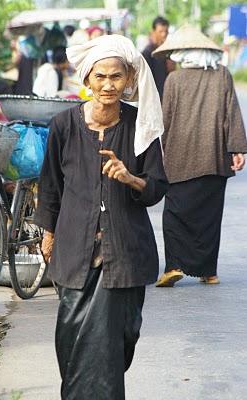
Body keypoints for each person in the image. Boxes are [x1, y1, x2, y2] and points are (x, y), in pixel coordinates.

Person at [34, 34, 167, 399]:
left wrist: (130, 178)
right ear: (87, 79)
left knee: (119, 340)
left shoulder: (141, 125)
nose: (108, 85)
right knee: (73, 340)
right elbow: (50, 185)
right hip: (75, 251)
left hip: (124, 254)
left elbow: (157, 188)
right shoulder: (63, 126)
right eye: (101, 76)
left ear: (128, 80)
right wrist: (48, 234)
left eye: (116, 77)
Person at [152, 25, 247, 287]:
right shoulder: (223, 75)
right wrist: (237, 150)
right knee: (209, 217)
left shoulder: (174, 80)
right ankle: (209, 272)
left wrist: (158, 151)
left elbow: (165, 121)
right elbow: (232, 114)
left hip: (179, 160)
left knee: (173, 214)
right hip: (214, 159)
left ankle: (173, 265)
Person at [142, 16, 175, 98]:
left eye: (166, 31)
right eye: (160, 31)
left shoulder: (168, 52)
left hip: (167, 95)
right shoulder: (147, 53)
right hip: (153, 98)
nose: (164, 34)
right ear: (153, 32)